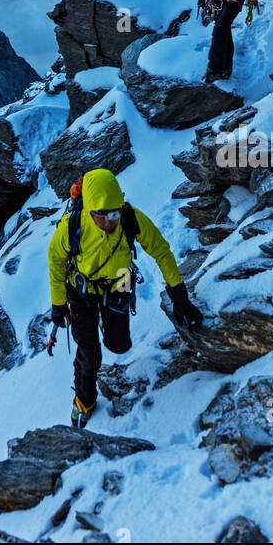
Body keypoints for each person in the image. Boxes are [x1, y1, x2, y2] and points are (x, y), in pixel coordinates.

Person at [48, 167, 202, 428]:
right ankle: (84, 400)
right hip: (81, 288)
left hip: (121, 280)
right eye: (104, 216)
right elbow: (55, 260)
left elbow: (161, 251)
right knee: (90, 354)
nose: (111, 221)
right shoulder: (72, 226)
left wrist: (180, 297)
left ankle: (101, 343)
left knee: (119, 345)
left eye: (115, 213)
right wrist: (58, 304)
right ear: (90, 212)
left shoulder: (130, 219)